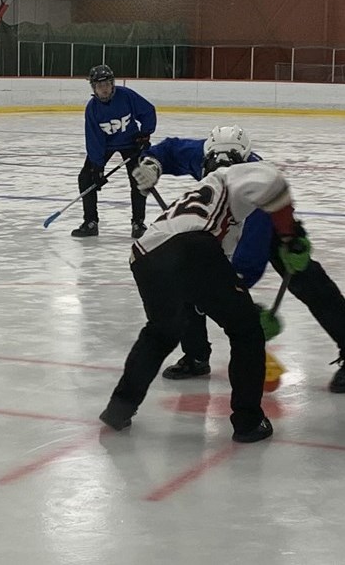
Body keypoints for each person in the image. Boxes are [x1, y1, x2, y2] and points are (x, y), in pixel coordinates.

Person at [98, 134, 313, 443]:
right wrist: (290, 235)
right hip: (193, 248)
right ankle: (248, 421)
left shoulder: (200, 194)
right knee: (246, 331)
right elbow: (274, 181)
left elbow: (208, 280)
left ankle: (119, 409)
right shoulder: (233, 175)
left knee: (161, 333)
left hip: (144, 255)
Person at [132, 127, 345, 392]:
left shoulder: (252, 194)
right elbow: (168, 149)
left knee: (309, 282)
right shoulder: (203, 154)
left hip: (272, 222)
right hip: (221, 219)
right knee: (189, 274)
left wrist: (237, 303)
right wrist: (152, 165)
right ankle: (196, 356)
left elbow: (247, 264)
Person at [72, 64, 155, 239]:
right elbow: (94, 140)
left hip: (131, 142)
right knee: (86, 178)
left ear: (113, 84)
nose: (104, 89)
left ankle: (138, 223)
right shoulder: (92, 109)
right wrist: (97, 167)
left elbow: (147, 111)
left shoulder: (126, 96)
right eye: (99, 86)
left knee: (139, 178)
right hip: (106, 145)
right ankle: (90, 222)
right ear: (94, 88)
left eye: (107, 84)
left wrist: (145, 134)